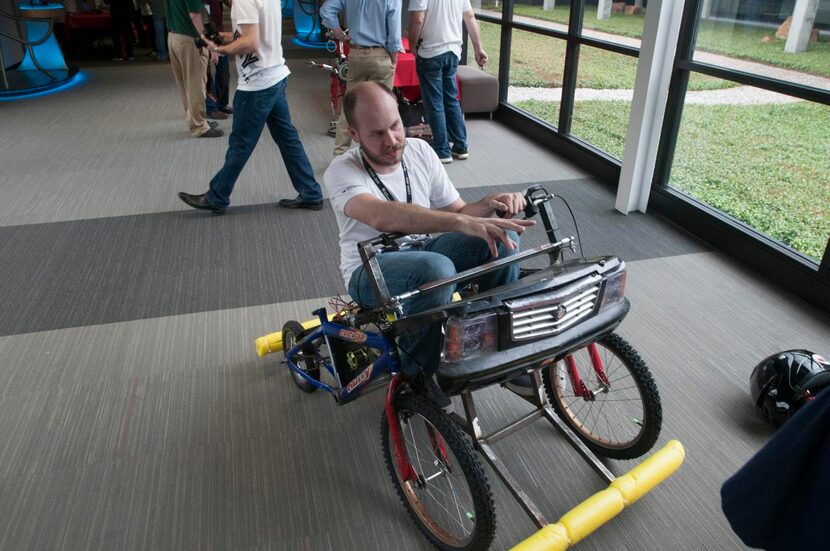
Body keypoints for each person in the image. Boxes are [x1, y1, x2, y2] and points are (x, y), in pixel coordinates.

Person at [324, 81, 533, 403]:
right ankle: (417, 374)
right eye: (377, 134)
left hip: (426, 251)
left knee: (503, 235)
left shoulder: (420, 150)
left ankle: (493, 341)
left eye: (395, 126)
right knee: (436, 267)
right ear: (355, 135)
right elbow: (382, 216)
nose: (392, 141)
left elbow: (461, 211)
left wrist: (491, 205)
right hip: (370, 270)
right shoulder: (342, 170)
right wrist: (461, 222)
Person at [177, 0, 324, 214]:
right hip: (274, 74)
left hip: (258, 83)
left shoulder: (243, 1)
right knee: (287, 138)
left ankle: (217, 196)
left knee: (241, 143)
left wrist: (218, 48)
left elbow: (251, 43)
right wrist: (224, 37)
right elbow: (254, 34)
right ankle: (311, 193)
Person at [320, 0, 403, 156]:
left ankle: (339, 154)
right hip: (381, 55)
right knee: (383, 107)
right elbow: (394, 29)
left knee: (350, 106)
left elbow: (326, 10)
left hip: (357, 54)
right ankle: (382, 152)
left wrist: (339, 33)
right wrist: (394, 58)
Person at [408, 0, 487, 163]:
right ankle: (460, 145)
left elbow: (418, 19)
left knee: (434, 103)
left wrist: (412, 45)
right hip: (452, 52)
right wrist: (478, 48)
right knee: (451, 99)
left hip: (430, 51)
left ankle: (442, 149)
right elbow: (470, 16)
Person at [166, 0, 223, 137]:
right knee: (196, 85)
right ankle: (199, 126)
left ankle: (195, 120)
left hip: (174, 36)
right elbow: (195, 15)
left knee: (186, 85)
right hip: (189, 39)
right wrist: (210, 43)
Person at [204, 0, 232, 119]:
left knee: (224, 70)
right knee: (206, 74)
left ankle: (221, 103)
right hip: (205, 36)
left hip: (219, 34)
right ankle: (210, 107)